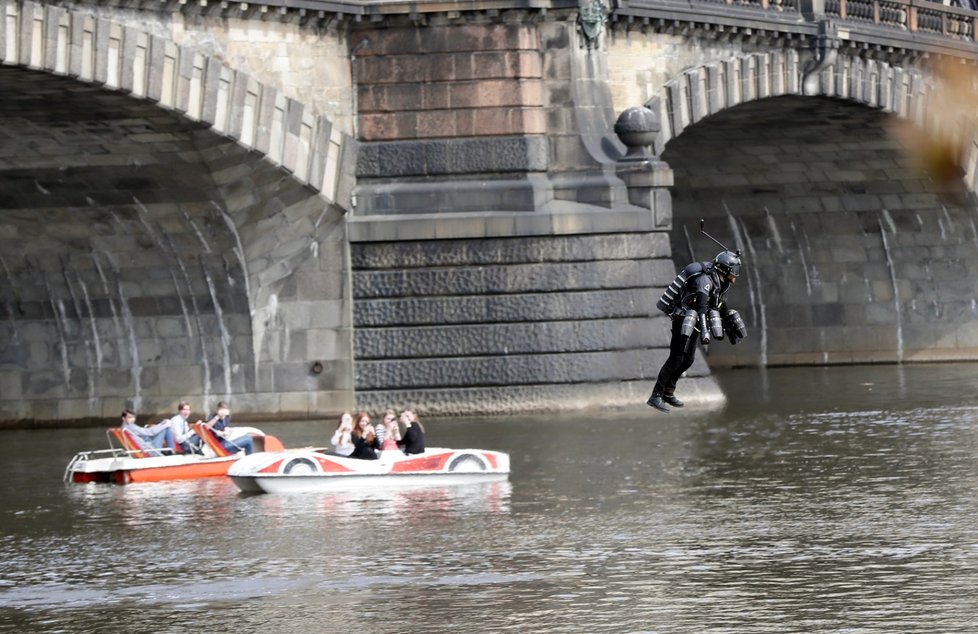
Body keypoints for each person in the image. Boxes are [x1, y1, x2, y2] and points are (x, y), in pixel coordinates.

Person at [648, 250, 746, 413]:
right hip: (683, 319)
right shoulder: (704, 281)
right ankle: (655, 396)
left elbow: (718, 304)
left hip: (696, 321)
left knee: (688, 360)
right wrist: (706, 333)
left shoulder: (722, 282)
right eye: (734, 270)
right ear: (724, 269)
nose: (736, 274)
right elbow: (701, 307)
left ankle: (668, 392)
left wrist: (730, 324)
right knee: (676, 358)